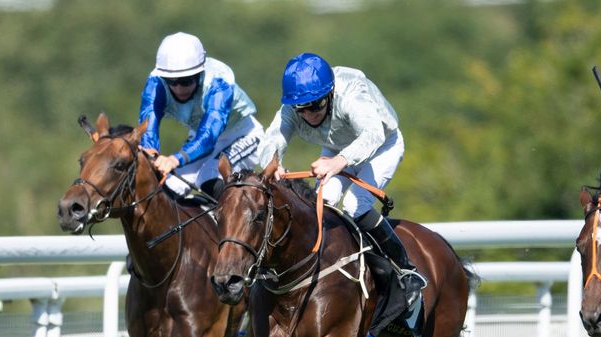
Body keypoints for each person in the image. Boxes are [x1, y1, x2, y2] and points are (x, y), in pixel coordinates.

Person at [257, 52, 426, 307]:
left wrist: (336, 163)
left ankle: (406, 271)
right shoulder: (295, 106)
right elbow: (272, 139)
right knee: (322, 203)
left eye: (316, 106)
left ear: (330, 93)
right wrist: (274, 164)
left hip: (382, 145)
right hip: (336, 146)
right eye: (302, 109)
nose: (310, 114)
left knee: (354, 206)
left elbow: (372, 134)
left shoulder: (350, 93)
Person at [139, 32, 264, 202]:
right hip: (198, 138)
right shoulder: (155, 83)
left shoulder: (219, 83)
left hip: (242, 135)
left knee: (208, 178)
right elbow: (148, 126)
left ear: (199, 74)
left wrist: (176, 159)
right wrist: (150, 153)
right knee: (168, 187)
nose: (179, 88)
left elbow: (209, 136)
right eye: (171, 81)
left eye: (186, 80)